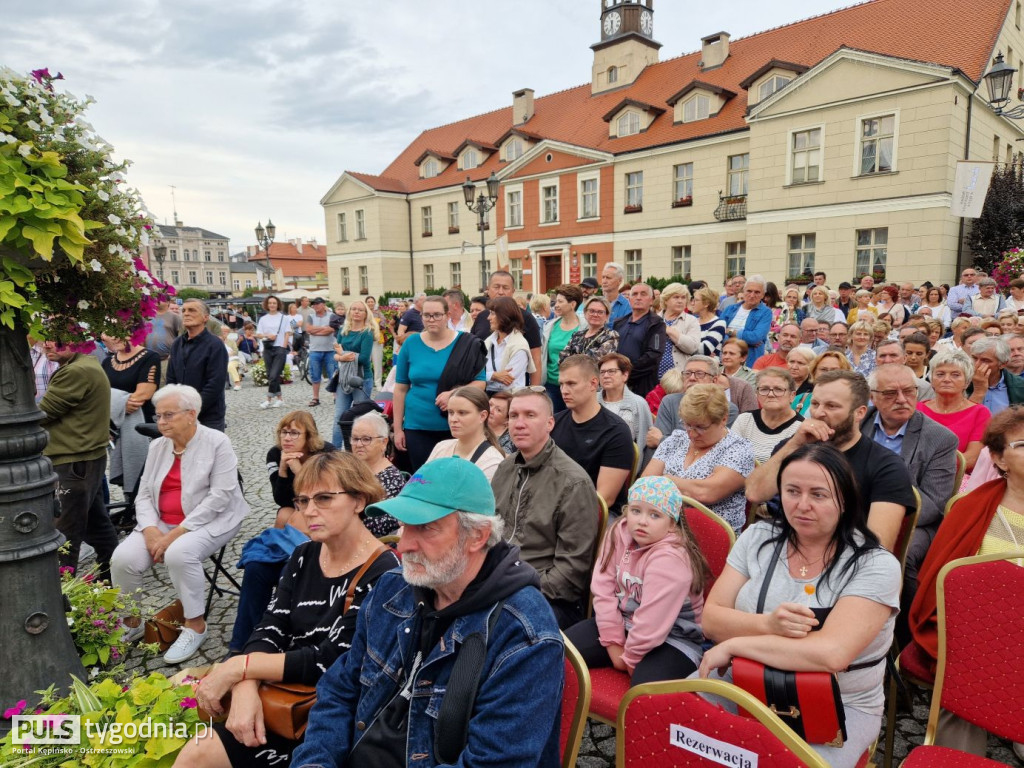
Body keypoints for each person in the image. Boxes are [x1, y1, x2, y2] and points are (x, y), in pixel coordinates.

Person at [291, 457, 564, 768]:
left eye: (424, 528)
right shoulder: (392, 589)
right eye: (405, 525)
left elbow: (495, 762)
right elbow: (339, 692)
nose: (403, 544)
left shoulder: (523, 635)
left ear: (477, 535)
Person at [181, 453, 399, 768]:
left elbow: (330, 660)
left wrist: (236, 668)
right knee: (194, 754)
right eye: (302, 500)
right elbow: (270, 627)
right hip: (278, 698)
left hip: (331, 719)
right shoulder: (304, 554)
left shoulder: (384, 572)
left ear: (359, 500)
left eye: (324, 498)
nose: (309, 511)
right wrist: (245, 687)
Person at [700, 443, 900, 768]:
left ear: (845, 499)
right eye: (792, 491)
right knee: (673, 727)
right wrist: (768, 625)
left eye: (818, 495)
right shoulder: (759, 538)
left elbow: (831, 654)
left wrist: (736, 643)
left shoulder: (874, 565)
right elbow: (711, 619)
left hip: (839, 704)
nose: (802, 506)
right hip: (743, 681)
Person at [907, 406, 1024, 757]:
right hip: (979, 632)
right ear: (999, 460)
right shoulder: (970, 509)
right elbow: (941, 587)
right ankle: (956, 754)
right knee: (967, 670)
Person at [112, 385, 250, 664]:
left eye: (168, 415)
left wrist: (174, 534)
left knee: (179, 553)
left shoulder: (217, 442)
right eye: (158, 416)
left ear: (191, 414)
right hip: (161, 522)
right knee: (122, 558)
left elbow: (220, 497)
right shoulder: (157, 446)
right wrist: (150, 529)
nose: (161, 422)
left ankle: (195, 625)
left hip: (213, 519)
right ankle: (131, 621)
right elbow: (144, 494)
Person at [746, 371, 916, 553]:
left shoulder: (886, 466)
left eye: (832, 406)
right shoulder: (794, 446)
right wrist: (794, 444)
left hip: (845, 560)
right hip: (784, 547)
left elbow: (878, 548)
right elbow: (755, 493)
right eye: (815, 404)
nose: (819, 413)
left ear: (859, 413)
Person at [566, 476, 709, 686]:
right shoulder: (618, 531)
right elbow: (603, 590)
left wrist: (629, 659)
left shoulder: (671, 559)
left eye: (655, 515)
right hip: (624, 622)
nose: (642, 521)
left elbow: (652, 622)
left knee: (642, 695)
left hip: (674, 639)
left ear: (672, 524)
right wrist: (614, 642)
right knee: (557, 650)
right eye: (636, 511)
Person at [224, 412, 339, 657]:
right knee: (256, 566)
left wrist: (300, 469)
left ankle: (286, 632)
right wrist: (285, 470)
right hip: (296, 512)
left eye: (294, 433)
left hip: (324, 521)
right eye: (284, 432)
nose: (287, 438)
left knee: (290, 550)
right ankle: (241, 644)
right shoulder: (275, 454)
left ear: (309, 436)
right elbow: (280, 498)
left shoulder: (328, 454)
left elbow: (324, 496)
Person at [492, 388, 601, 629]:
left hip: (546, 596)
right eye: (514, 415)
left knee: (490, 626)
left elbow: (571, 573)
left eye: (530, 415)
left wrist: (515, 590)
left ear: (550, 423)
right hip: (496, 581)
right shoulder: (506, 468)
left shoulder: (573, 482)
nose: (519, 424)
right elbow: (489, 531)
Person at [861, 364, 958, 623]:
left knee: (902, 555)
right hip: (855, 511)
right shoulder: (856, 424)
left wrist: (882, 514)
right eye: (891, 393)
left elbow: (933, 504)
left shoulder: (940, 438)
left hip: (914, 522)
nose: (902, 400)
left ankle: (906, 630)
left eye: (909, 391)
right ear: (873, 397)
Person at [39, 340, 118, 579]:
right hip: (84, 460)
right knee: (98, 527)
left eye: (57, 341)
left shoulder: (76, 371)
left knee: (65, 533)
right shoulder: (84, 364)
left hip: (73, 462)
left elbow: (42, 413)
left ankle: (62, 594)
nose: (47, 345)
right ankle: (110, 577)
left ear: (77, 342)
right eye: (45, 340)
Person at [642, 384, 754, 533]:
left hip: (709, 537)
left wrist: (665, 479)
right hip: (661, 531)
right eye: (687, 425)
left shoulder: (738, 449)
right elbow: (644, 484)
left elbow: (706, 492)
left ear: (723, 420)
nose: (692, 434)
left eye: (701, 427)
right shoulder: (676, 439)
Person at [393, 295, 486, 471]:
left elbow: (480, 383)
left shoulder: (466, 344)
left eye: (437, 314)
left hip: (455, 426)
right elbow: (400, 389)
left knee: (454, 476)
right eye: (426, 315)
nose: (431, 319)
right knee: (422, 479)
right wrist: (398, 429)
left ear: (447, 315)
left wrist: (454, 393)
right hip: (417, 426)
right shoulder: (411, 343)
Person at [553, 354, 635, 509]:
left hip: (592, 512)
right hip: (552, 504)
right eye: (561, 384)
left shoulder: (616, 431)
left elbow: (604, 499)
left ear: (593, 384)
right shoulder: (554, 422)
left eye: (571, 383)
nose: (564, 390)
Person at [917, 347, 991, 473]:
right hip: (916, 475)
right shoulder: (917, 409)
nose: (946, 379)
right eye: (940, 374)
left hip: (959, 480)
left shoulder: (980, 413)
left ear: (967, 382)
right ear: (932, 380)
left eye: (955, 375)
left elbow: (972, 458)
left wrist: (935, 471)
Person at [166, 299, 229, 430]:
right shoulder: (177, 343)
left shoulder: (215, 345)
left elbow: (215, 383)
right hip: (181, 413)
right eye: (184, 310)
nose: (186, 313)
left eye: (192, 310)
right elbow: (171, 378)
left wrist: (192, 408)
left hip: (208, 415)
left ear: (205, 318)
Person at [470, 271, 544, 381]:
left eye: (505, 288)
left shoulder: (526, 318)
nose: (500, 292)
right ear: (488, 289)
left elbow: (536, 358)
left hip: (512, 390)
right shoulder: (482, 316)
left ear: (513, 291)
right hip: (480, 387)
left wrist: (534, 391)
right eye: (496, 287)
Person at [426, 386, 505, 480]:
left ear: (482, 416)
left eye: (462, 413)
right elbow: (419, 483)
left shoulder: (492, 461)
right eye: (451, 412)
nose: (453, 419)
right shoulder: (441, 447)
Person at [731, 368, 804, 464]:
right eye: (764, 389)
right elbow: (730, 457)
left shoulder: (801, 428)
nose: (770, 394)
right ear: (756, 394)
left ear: (792, 395)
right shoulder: (744, 420)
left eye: (778, 389)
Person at [349, 412, 405, 533]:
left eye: (366, 439)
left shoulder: (392, 478)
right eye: (355, 439)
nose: (358, 444)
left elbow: (382, 523)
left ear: (384, 442)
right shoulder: (348, 469)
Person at [332, 299, 374, 447]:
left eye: (360, 310)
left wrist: (342, 354)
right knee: (339, 416)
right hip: (343, 378)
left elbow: (363, 358)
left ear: (365, 314)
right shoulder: (343, 330)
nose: (356, 312)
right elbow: (335, 355)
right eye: (354, 309)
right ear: (349, 312)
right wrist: (340, 356)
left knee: (358, 418)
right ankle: (334, 452)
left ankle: (357, 452)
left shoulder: (367, 333)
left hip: (361, 379)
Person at [598, 353, 654, 465]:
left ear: (625, 375)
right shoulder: (592, 400)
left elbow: (645, 443)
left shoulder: (638, 403)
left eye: (611, 371)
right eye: (602, 372)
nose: (606, 375)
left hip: (622, 463)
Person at [613, 282, 667, 398]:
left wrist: (627, 373)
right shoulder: (619, 323)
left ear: (652, 300)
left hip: (642, 385)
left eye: (643, 294)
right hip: (617, 381)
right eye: (634, 294)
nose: (638, 297)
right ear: (629, 299)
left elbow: (654, 355)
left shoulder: (656, 324)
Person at [539, 283, 583, 410]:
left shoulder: (584, 327)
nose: (555, 305)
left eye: (560, 301)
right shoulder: (550, 326)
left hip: (574, 385)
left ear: (573, 304)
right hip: (551, 384)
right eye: (555, 301)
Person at [101, 332, 160, 422]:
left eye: (119, 333)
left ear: (133, 333)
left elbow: (143, 394)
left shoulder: (150, 357)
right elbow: (100, 393)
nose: (114, 338)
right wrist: (120, 406)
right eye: (111, 333)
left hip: (140, 421)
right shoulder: (107, 361)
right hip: (111, 422)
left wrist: (112, 405)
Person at [720, 275, 772, 366]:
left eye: (757, 292)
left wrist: (730, 331)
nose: (752, 295)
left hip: (749, 362)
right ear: (743, 291)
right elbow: (719, 332)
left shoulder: (766, 313)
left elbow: (755, 337)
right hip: (726, 359)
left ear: (763, 294)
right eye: (749, 291)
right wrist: (746, 339)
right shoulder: (730, 309)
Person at [484, 296, 532, 392]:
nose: (488, 318)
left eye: (493, 313)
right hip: (487, 396)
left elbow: (507, 382)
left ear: (504, 315)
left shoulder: (519, 346)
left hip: (510, 399)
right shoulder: (488, 341)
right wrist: (494, 376)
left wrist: (486, 377)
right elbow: (474, 374)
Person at [967, 335, 1024, 415]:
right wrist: (978, 390)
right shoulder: (960, 382)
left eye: (985, 360)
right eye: (974, 358)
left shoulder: (1020, 386)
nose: (977, 364)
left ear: (1003, 364)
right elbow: (961, 420)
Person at [254, 295, 290, 410]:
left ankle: (268, 400)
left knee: (274, 375)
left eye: (274, 303)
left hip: (279, 348)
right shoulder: (263, 319)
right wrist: (267, 335)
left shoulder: (284, 318)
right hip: (268, 348)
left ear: (278, 304)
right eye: (270, 303)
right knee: (271, 375)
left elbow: (288, 333)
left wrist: (284, 347)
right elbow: (258, 334)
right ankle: (280, 399)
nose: (272, 305)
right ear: (267, 305)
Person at [560, 294, 620, 363]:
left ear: (607, 316)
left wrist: (572, 360)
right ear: (585, 313)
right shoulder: (577, 335)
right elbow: (562, 359)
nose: (595, 315)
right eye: (591, 311)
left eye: (600, 312)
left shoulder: (611, 336)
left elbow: (595, 361)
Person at [659, 282, 700, 376]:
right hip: (654, 374)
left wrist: (670, 331)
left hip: (679, 375)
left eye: (683, 297)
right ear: (665, 300)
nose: (680, 301)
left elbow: (692, 347)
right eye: (676, 297)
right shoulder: (654, 319)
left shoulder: (691, 320)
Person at [304, 297, 337, 408]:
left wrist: (315, 331)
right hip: (315, 350)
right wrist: (323, 329)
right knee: (315, 374)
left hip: (330, 350)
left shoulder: (331, 316)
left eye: (317, 304)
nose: (315, 306)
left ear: (323, 304)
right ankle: (316, 398)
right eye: (314, 304)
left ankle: (336, 397)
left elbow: (331, 330)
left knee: (333, 374)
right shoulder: (311, 316)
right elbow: (308, 329)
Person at [690, 285, 728, 358]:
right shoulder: (692, 321)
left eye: (696, 300)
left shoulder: (719, 323)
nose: (692, 303)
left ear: (706, 304)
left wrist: (683, 345)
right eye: (692, 300)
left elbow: (705, 349)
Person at [786, 346, 817, 416]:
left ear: (811, 366)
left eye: (800, 363)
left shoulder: (815, 388)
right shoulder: (779, 383)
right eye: (791, 362)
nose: (794, 367)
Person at [602, 261, 632, 326]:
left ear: (620, 280)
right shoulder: (596, 303)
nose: (604, 281)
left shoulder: (627, 306)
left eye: (608, 278)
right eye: (603, 277)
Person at [487, 390, 516, 454]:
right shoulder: (475, 425)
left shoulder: (511, 440)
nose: (490, 410)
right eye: (490, 405)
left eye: (498, 410)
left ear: (507, 419)